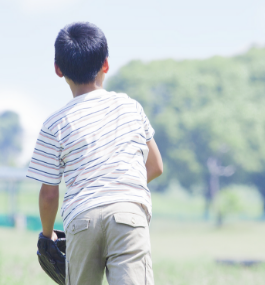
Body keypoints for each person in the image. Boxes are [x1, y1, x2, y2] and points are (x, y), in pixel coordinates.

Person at [26, 22, 164, 285]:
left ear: (58, 69)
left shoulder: (54, 124)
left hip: (81, 219)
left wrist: (47, 236)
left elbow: (49, 193)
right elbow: (155, 165)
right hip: (128, 216)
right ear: (106, 64)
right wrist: (118, 187)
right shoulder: (130, 107)